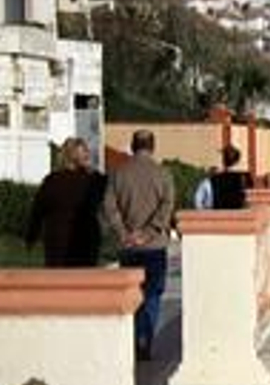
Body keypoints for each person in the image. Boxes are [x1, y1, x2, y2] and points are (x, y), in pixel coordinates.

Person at [102, 130, 176, 361]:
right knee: (152, 295)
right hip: (153, 246)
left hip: (128, 247)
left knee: (131, 295)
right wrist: (149, 232)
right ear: (152, 147)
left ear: (133, 146)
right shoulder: (163, 174)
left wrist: (124, 233)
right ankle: (145, 340)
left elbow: (109, 206)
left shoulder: (118, 173)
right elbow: (167, 207)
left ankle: (134, 338)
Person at [25, 137, 105, 267]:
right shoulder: (94, 180)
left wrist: (31, 237)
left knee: (57, 283)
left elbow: (37, 211)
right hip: (86, 239)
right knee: (85, 282)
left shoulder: (52, 180)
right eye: (85, 152)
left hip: (58, 241)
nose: (87, 155)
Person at [200, 144, 251, 209]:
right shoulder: (244, 177)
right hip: (238, 214)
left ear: (223, 160)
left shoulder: (215, 178)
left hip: (218, 214)